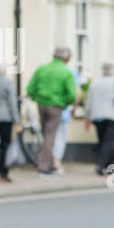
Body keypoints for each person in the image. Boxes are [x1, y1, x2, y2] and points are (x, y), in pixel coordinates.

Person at [26, 47, 77, 176]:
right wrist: (65, 103)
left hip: (42, 105)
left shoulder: (42, 69)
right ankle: (45, 166)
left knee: (46, 134)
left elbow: (30, 89)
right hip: (56, 106)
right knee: (50, 136)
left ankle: (47, 164)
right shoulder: (66, 72)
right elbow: (72, 94)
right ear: (66, 58)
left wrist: (37, 98)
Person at [84, 62, 114, 174]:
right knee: (109, 142)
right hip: (112, 116)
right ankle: (100, 165)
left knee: (102, 141)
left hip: (97, 117)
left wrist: (87, 117)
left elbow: (88, 102)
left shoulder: (95, 84)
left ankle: (108, 166)